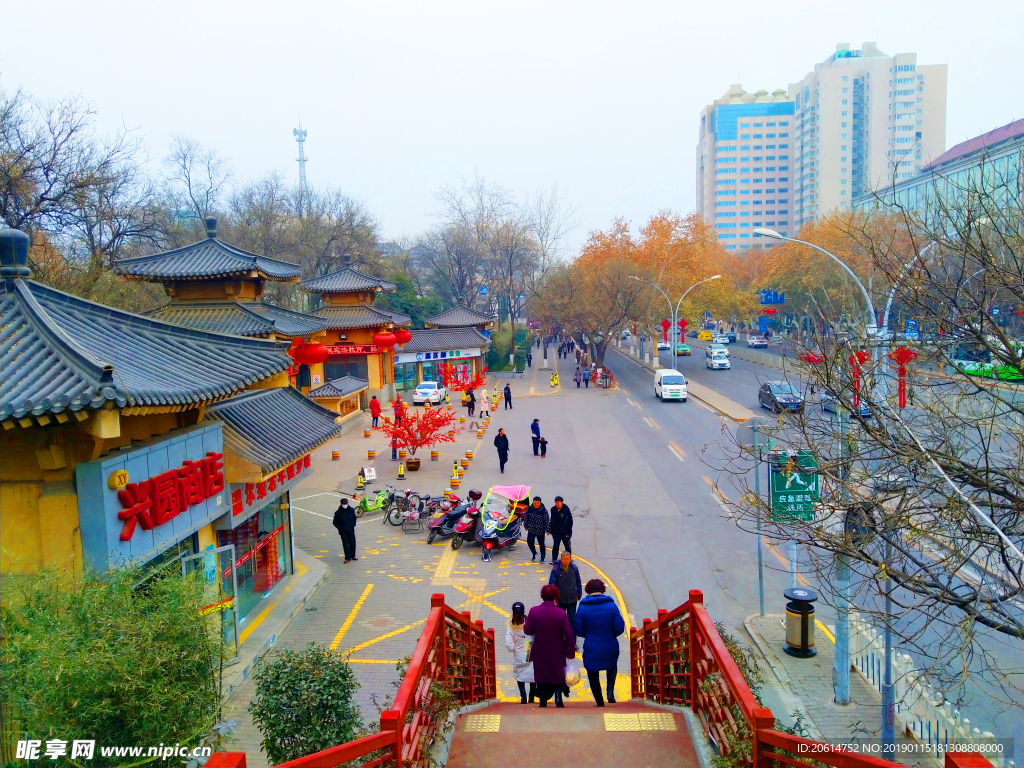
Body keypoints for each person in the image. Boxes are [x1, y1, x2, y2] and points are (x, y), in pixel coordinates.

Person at [574, 579, 625, 707]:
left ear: (588, 591)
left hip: (591, 644)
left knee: (592, 671)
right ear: (602, 589)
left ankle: (599, 701)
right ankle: (610, 692)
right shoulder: (612, 606)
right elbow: (619, 627)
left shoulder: (582, 607)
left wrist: (589, 634)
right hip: (610, 643)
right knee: (612, 665)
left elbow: (578, 630)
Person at [523, 585, 576, 708]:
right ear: (556, 597)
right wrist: (570, 652)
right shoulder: (561, 613)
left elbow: (527, 630)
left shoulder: (534, 611)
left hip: (540, 650)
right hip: (558, 650)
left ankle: (543, 701)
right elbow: (569, 634)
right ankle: (558, 698)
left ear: (542, 596)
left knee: (542, 674)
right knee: (557, 673)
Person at [505, 602, 536, 703]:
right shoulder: (529, 622)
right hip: (529, 650)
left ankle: (523, 697)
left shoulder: (510, 626)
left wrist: (514, 648)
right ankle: (532, 697)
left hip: (518, 654)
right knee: (532, 674)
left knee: (520, 674)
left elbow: (509, 645)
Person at [549, 552, 582, 635]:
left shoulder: (574, 568)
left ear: (570, 559)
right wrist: (552, 597)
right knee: (560, 619)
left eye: (568, 559)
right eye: (564, 559)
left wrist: (579, 593)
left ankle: (572, 640)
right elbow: (552, 584)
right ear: (561, 559)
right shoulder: (556, 569)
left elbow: (578, 581)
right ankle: (561, 637)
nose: (566, 560)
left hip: (572, 598)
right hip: (560, 599)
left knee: (572, 620)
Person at [332, 497, 358, 563]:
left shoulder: (351, 510)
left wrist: (353, 525)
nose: (345, 505)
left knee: (352, 543)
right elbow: (335, 522)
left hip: (351, 530)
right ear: (341, 504)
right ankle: (347, 557)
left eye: (346, 503)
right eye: (344, 503)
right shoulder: (338, 513)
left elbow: (354, 518)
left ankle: (353, 555)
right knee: (345, 544)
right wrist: (341, 528)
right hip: (343, 532)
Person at [524, 496, 549, 563]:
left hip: (540, 530)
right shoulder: (529, 509)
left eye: (537, 503)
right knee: (530, 541)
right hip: (531, 529)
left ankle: (542, 557)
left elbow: (546, 521)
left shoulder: (543, 511)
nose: (536, 504)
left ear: (540, 503)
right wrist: (525, 525)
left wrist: (548, 530)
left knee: (541, 544)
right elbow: (526, 518)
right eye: (535, 503)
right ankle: (534, 553)